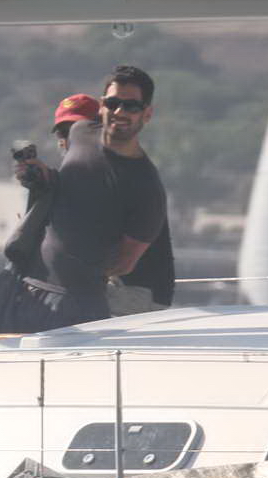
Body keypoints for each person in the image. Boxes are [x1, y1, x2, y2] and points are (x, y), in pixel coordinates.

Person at [16, 88, 174, 315]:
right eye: (62, 133)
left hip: (132, 291)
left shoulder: (118, 171)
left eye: (76, 130)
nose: (68, 139)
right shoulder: (82, 173)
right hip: (108, 287)